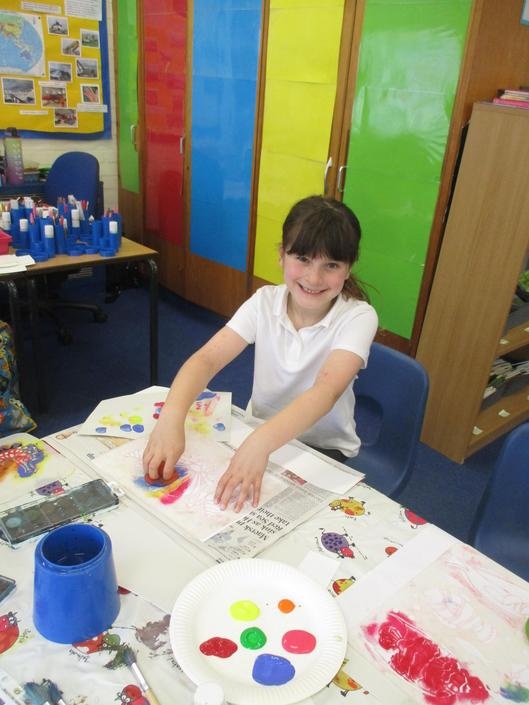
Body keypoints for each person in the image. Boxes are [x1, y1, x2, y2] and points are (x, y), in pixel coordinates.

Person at [142, 195, 378, 511]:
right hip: (259, 430)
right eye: (303, 259)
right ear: (281, 255)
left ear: (348, 269)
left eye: (331, 265)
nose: (313, 278)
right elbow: (207, 359)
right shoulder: (264, 302)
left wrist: (260, 443)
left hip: (322, 448)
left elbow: (326, 391)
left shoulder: (358, 317)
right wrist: (171, 418)